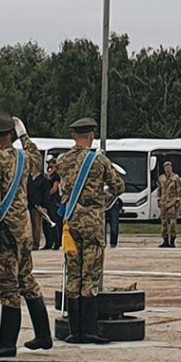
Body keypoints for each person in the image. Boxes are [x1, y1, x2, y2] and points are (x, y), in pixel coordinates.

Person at [0, 110, 51, 358]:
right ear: (10, 134)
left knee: (8, 285)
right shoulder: (22, 157)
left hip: (4, 231)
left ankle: (7, 342)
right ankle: (43, 334)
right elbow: (37, 157)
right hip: (22, 230)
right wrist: (25, 136)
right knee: (27, 280)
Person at [55, 117, 124, 344]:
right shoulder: (99, 161)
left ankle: (75, 330)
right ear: (92, 136)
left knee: (73, 274)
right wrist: (101, 199)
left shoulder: (63, 160)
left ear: (74, 136)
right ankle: (90, 330)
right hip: (93, 222)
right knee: (91, 275)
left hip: (71, 221)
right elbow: (118, 186)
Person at [157, 162, 181, 248]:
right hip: (163, 203)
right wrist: (158, 200)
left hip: (172, 203)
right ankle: (165, 240)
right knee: (164, 223)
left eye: (169, 167)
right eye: (166, 168)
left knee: (172, 223)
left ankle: (172, 240)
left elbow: (179, 190)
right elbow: (159, 190)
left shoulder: (175, 178)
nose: (167, 169)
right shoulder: (161, 178)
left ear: (171, 168)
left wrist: (178, 202)